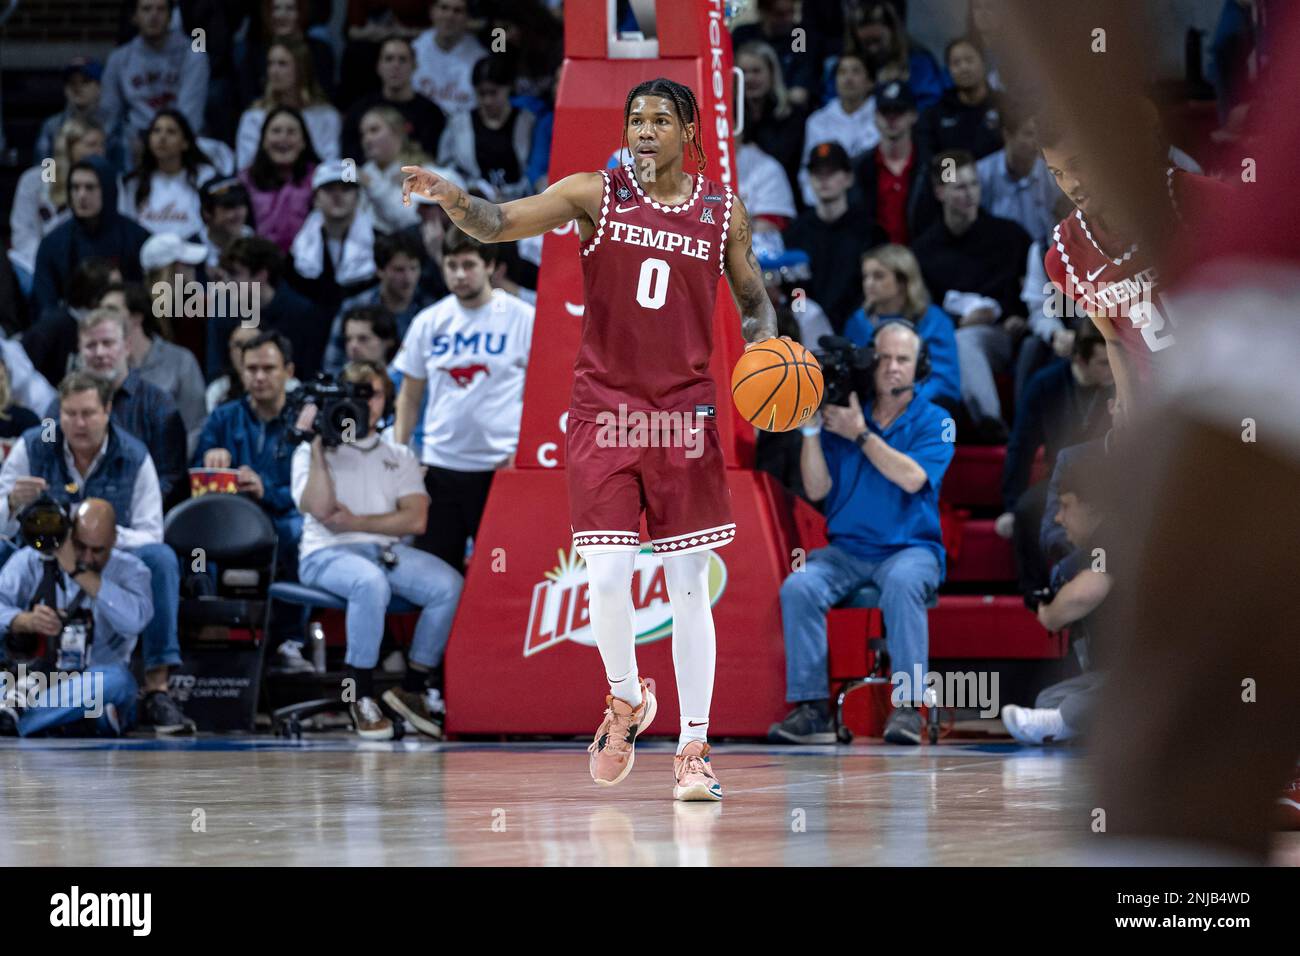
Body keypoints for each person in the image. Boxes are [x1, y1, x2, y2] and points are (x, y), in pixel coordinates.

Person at [402, 75, 781, 800]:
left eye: (660, 120)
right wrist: (453, 198)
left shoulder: (720, 211)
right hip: (604, 412)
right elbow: (498, 222)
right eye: (635, 119)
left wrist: (767, 349)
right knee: (605, 578)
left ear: (688, 132)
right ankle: (627, 700)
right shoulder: (595, 194)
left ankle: (694, 748)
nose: (644, 131)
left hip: (682, 417)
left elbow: (755, 302)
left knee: (688, 589)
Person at [772, 321, 954, 745]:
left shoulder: (936, 420)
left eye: (903, 359)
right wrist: (812, 431)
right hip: (847, 550)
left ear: (920, 366)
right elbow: (817, 488)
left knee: (904, 584)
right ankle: (812, 707)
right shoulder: (845, 415)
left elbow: (912, 478)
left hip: (910, 549)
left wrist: (861, 435)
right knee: (799, 587)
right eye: (884, 358)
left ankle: (907, 707)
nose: (892, 367)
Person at [0, 372, 192, 734]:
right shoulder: (36, 444)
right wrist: (10, 503)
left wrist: (86, 554)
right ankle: (54, 713)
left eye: (88, 413)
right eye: (70, 414)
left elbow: (150, 534)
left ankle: (155, 688)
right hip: (39, 586)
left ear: (107, 411)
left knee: (116, 680)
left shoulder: (134, 456)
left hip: (94, 664)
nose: (78, 423)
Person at [292, 360, 463, 739]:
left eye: (374, 394)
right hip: (325, 553)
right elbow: (320, 510)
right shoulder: (311, 451)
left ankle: (413, 687)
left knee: (448, 585)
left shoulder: (398, 454)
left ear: (387, 400)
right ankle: (360, 693)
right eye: (357, 394)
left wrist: (356, 522)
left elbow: (415, 520)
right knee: (369, 583)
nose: (365, 403)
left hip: (383, 552)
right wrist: (318, 445)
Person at [391, 231, 532, 571]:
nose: (459, 274)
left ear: (490, 266)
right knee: (438, 576)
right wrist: (401, 453)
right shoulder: (429, 321)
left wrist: (525, 451)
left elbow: (540, 394)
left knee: (502, 571)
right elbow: (409, 395)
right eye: (451, 265)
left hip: (500, 466)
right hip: (440, 466)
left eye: (468, 265)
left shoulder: (523, 317)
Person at [194, 331, 310, 672]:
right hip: (228, 517)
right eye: (251, 369)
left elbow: (311, 492)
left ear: (288, 372)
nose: (259, 377)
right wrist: (210, 466)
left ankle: (290, 639)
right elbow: (196, 482)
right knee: (194, 544)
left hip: (281, 516)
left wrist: (265, 489)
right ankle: (207, 629)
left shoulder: (304, 422)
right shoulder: (223, 417)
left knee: (300, 534)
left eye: (268, 368)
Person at [0, 499, 153, 738]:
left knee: (120, 682)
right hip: (37, 677)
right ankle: (69, 720)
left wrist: (77, 571)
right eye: (81, 546)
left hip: (93, 680)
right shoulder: (32, 560)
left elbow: (134, 622)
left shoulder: (133, 570)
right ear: (70, 533)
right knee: (7, 679)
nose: (88, 557)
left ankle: (16, 717)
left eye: (97, 550)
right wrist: (23, 620)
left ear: (114, 539)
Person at [912, 150, 1032, 439]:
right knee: (960, 339)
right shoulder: (924, 249)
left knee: (965, 341)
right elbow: (921, 307)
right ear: (940, 192)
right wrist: (958, 323)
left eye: (974, 185)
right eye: (959, 187)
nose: (970, 194)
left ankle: (992, 424)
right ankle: (988, 424)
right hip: (950, 336)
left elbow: (1033, 290)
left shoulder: (1009, 236)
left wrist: (1017, 316)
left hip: (1004, 334)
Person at [1001, 451, 1112, 744]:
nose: (1058, 518)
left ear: (1092, 507)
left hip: (1171, 669)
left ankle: (1066, 720)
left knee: (1133, 684)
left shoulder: (1114, 540)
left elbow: (1085, 592)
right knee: (1050, 699)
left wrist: (1048, 614)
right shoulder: (1094, 548)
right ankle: (1068, 719)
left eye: (1065, 506)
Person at [998, 333, 1113, 593]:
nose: (1111, 369)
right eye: (1103, 363)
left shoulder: (1117, 387)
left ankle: (1090, 587)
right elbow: (1022, 444)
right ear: (1080, 360)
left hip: (1107, 478)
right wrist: (1010, 503)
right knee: (1027, 509)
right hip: (1061, 479)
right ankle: (1037, 591)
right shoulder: (1046, 384)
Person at [62, 307, 189, 511]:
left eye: (108, 343)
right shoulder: (58, 406)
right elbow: (46, 454)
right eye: (91, 345)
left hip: (139, 518)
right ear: (80, 351)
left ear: (127, 346)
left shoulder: (159, 404)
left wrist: (127, 512)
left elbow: (172, 479)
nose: (100, 353)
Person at [844, 245, 961, 416]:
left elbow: (944, 382)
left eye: (878, 276)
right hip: (871, 407)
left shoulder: (934, 320)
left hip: (924, 405)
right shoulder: (858, 321)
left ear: (903, 281)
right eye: (866, 276)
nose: (869, 283)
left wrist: (900, 399)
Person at [30, 157, 150, 320]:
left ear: (107, 189)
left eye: (90, 187)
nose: (81, 195)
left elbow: (145, 298)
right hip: (69, 327)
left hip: (127, 323)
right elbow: (45, 306)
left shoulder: (136, 238)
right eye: (75, 187)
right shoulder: (53, 243)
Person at [784, 142, 887, 331]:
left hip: (858, 328)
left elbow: (875, 286)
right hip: (808, 330)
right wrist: (804, 316)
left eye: (831, 172)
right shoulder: (795, 233)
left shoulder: (870, 232)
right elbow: (794, 287)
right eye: (817, 173)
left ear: (848, 178)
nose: (824, 180)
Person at [100, 283, 207, 454]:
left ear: (136, 317)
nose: (102, 317)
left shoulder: (180, 361)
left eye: (111, 310)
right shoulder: (103, 364)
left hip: (169, 461)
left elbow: (195, 426)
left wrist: (174, 463)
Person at [100, 0, 209, 167]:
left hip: (179, 135)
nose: (153, 15)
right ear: (135, 17)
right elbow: (109, 114)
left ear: (170, 16)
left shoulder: (194, 55)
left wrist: (163, 140)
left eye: (161, 9)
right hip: (135, 139)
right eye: (146, 9)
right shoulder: (119, 59)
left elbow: (190, 116)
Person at [212, 236, 326, 381]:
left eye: (235, 274)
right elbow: (215, 370)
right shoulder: (223, 307)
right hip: (234, 390)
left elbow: (309, 372)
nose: (227, 283)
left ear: (261, 275)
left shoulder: (302, 313)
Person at [322, 231, 432, 374]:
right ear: (380, 270)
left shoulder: (430, 310)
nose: (408, 278)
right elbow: (332, 365)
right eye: (399, 270)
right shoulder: (354, 308)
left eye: (414, 268)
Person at [287, 162, 379, 332]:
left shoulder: (378, 243)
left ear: (357, 197)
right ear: (316, 198)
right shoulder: (297, 250)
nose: (337, 196)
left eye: (345, 189)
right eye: (329, 189)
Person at [11, 119, 107, 281]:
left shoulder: (108, 180)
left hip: (88, 263)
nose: (100, 151)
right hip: (34, 261)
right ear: (69, 146)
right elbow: (22, 234)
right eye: (91, 145)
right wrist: (47, 261)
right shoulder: (35, 179)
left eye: (102, 145)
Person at [436, 57, 537, 203]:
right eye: (481, 94)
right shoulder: (458, 123)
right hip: (473, 202)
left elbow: (536, 168)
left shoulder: (528, 121)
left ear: (508, 88)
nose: (487, 100)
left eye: (493, 93)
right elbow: (446, 168)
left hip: (521, 201)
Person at [236, 36, 341, 172]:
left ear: (301, 68)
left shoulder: (326, 116)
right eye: (270, 64)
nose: (273, 71)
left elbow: (331, 164)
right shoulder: (253, 117)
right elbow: (245, 166)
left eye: (282, 64)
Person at [340, 36, 447, 164]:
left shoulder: (431, 113)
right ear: (378, 66)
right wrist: (360, 174)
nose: (395, 65)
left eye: (402, 60)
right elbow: (347, 157)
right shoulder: (359, 110)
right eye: (389, 59)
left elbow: (431, 156)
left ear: (414, 66)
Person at [975, 100, 1063, 248]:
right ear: (1007, 135)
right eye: (1029, 134)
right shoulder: (981, 174)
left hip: (1045, 253)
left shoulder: (1053, 172)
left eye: (1039, 135)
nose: (1036, 142)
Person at [848, 80, 927, 245]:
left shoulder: (933, 164)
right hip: (872, 254)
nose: (891, 118)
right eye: (885, 111)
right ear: (875, 117)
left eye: (899, 111)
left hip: (922, 254)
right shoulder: (857, 166)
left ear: (914, 115)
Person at [118, 108, 218, 238]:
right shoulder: (134, 182)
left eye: (171, 132)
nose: (162, 137)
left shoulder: (205, 176)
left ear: (185, 143)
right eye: (156, 131)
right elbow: (127, 228)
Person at [798, 53, 878, 207]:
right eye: (842, 72)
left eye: (856, 71)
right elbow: (806, 172)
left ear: (870, 82)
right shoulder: (817, 121)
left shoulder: (882, 116)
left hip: (871, 204)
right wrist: (822, 204)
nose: (848, 78)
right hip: (826, 206)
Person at [237, 106, 321, 253]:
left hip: (309, 258)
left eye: (291, 132)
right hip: (258, 260)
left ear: (303, 142)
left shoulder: (320, 177)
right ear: (263, 141)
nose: (283, 138)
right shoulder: (245, 180)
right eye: (276, 131)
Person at [735, 41, 807, 199]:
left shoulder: (792, 113)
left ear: (772, 73)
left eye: (756, 71)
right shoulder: (728, 114)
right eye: (743, 72)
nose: (749, 78)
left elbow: (786, 159)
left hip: (782, 194)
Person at [914, 38, 1003, 161]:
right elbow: (932, 158)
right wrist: (952, 174)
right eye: (956, 63)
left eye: (969, 60)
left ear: (983, 63)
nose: (964, 68)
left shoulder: (1005, 106)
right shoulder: (935, 115)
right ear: (948, 70)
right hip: (953, 173)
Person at [356, 106, 429, 234]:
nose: (367, 139)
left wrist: (372, 186)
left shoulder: (421, 171)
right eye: (363, 134)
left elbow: (412, 219)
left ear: (397, 132)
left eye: (374, 130)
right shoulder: (365, 172)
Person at [411, 0, 487, 117]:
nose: (449, 16)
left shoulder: (481, 58)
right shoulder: (414, 50)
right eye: (444, 8)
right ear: (432, 11)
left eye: (458, 11)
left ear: (468, 17)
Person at [32, 58, 107, 165]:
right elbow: (43, 169)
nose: (77, 88)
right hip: (59, 175)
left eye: (85, 81)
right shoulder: (51, 126)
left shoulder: (112, 125)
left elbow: (121, 170)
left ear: (99, 87)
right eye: (72, 82)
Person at [198, 176, 255, 270]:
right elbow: (177, 277)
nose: (238, 214)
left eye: (242, 203)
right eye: (229, 206)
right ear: (207, 212)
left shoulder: (254, 241)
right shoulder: (190, 248)